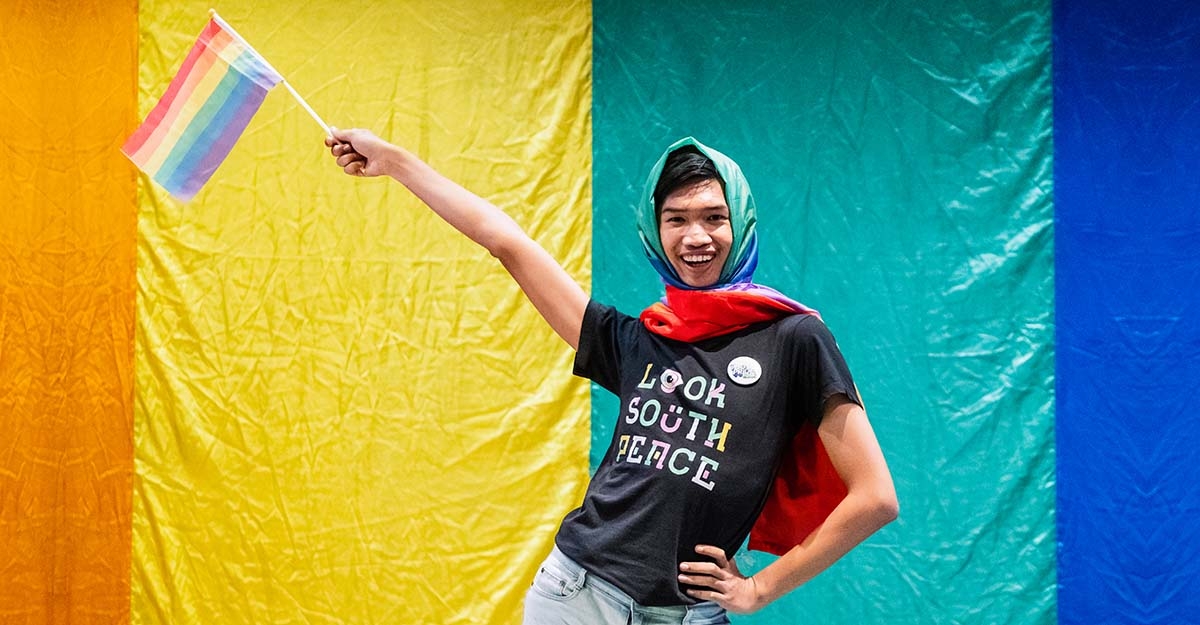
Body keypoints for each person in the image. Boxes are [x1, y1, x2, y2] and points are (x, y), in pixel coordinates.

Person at [326, 130, 898, 624]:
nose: (695, 237)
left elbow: (875, 497)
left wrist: (761, 589)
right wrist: (396, 162)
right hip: (575, 595)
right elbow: (506, 242)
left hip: (690, 612)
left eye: (713, 217)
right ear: (655, 231)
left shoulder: (795, 338)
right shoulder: (639, 340)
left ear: (741, 220)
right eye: (675, 219)